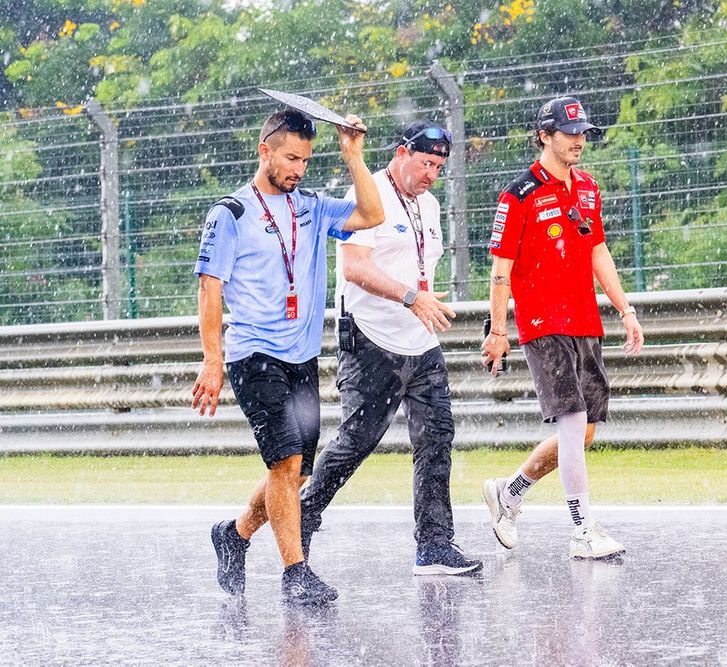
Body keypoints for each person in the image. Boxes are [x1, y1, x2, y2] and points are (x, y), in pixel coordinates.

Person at [192, 107, 384, 605]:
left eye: (305, 159)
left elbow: (372, 214)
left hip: (300, 356)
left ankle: (233, 535)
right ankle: (295, 573)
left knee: (295, 472)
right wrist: (212, 360)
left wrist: (353, 156)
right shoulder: (230, 213)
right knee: (287, 461)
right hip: (253, 352)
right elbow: (210, 288)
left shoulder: (312, 206)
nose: (299, 169)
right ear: (265, 151)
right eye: (291, 157)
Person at [298, 120, 482, 576]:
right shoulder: (367, 194)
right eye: (425, 163)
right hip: (369, 339)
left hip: (420, 342)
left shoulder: (432, 205)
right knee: (357, 442)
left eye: (439, 167)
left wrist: (420, 301)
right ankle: (303, 515)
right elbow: (355, 268)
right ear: (401, 153)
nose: (431, 175)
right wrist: (409, 296)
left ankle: (435, 546)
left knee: (437, 439)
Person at [481, 96, 644, 559]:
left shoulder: (589, 189)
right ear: (544, 135)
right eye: (569, 132)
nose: (578, 140)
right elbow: (500, 269)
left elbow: (598, 253)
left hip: (585, 322)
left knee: (585, 431)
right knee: (573, 424)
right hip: (542, 324)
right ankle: (582, 530)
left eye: (583, 133)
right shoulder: (519, 195)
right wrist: (497, 330)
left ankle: (508, 493)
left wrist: (625, 309)